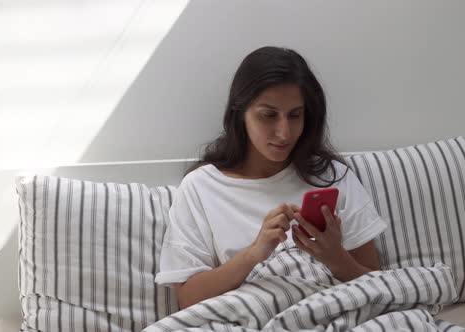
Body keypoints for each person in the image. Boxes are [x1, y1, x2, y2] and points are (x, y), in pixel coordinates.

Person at [155, 46, 387, 309]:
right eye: (268, 115)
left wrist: (335, 257)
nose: (284, 133)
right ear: (240, 113)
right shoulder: (201, 187)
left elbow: (376, 283)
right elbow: (188, 299)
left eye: (295, 115)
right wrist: (254, 253)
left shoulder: (331, 176)